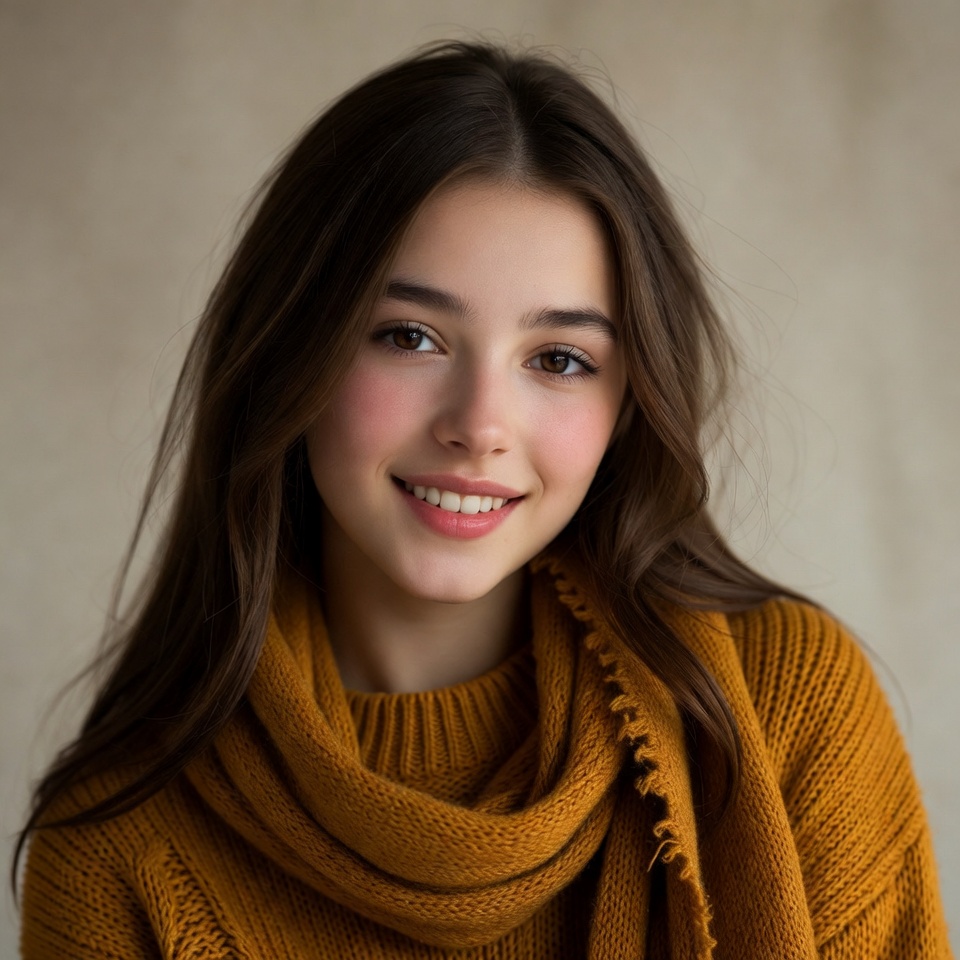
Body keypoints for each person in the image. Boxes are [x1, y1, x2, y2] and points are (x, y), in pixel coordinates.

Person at [16, 40, 951, 959]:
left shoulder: (783, 709)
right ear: (289, 351)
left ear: (628, 405)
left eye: (559, 360)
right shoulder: (116, 848)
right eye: (410, 337)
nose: (480, 425)